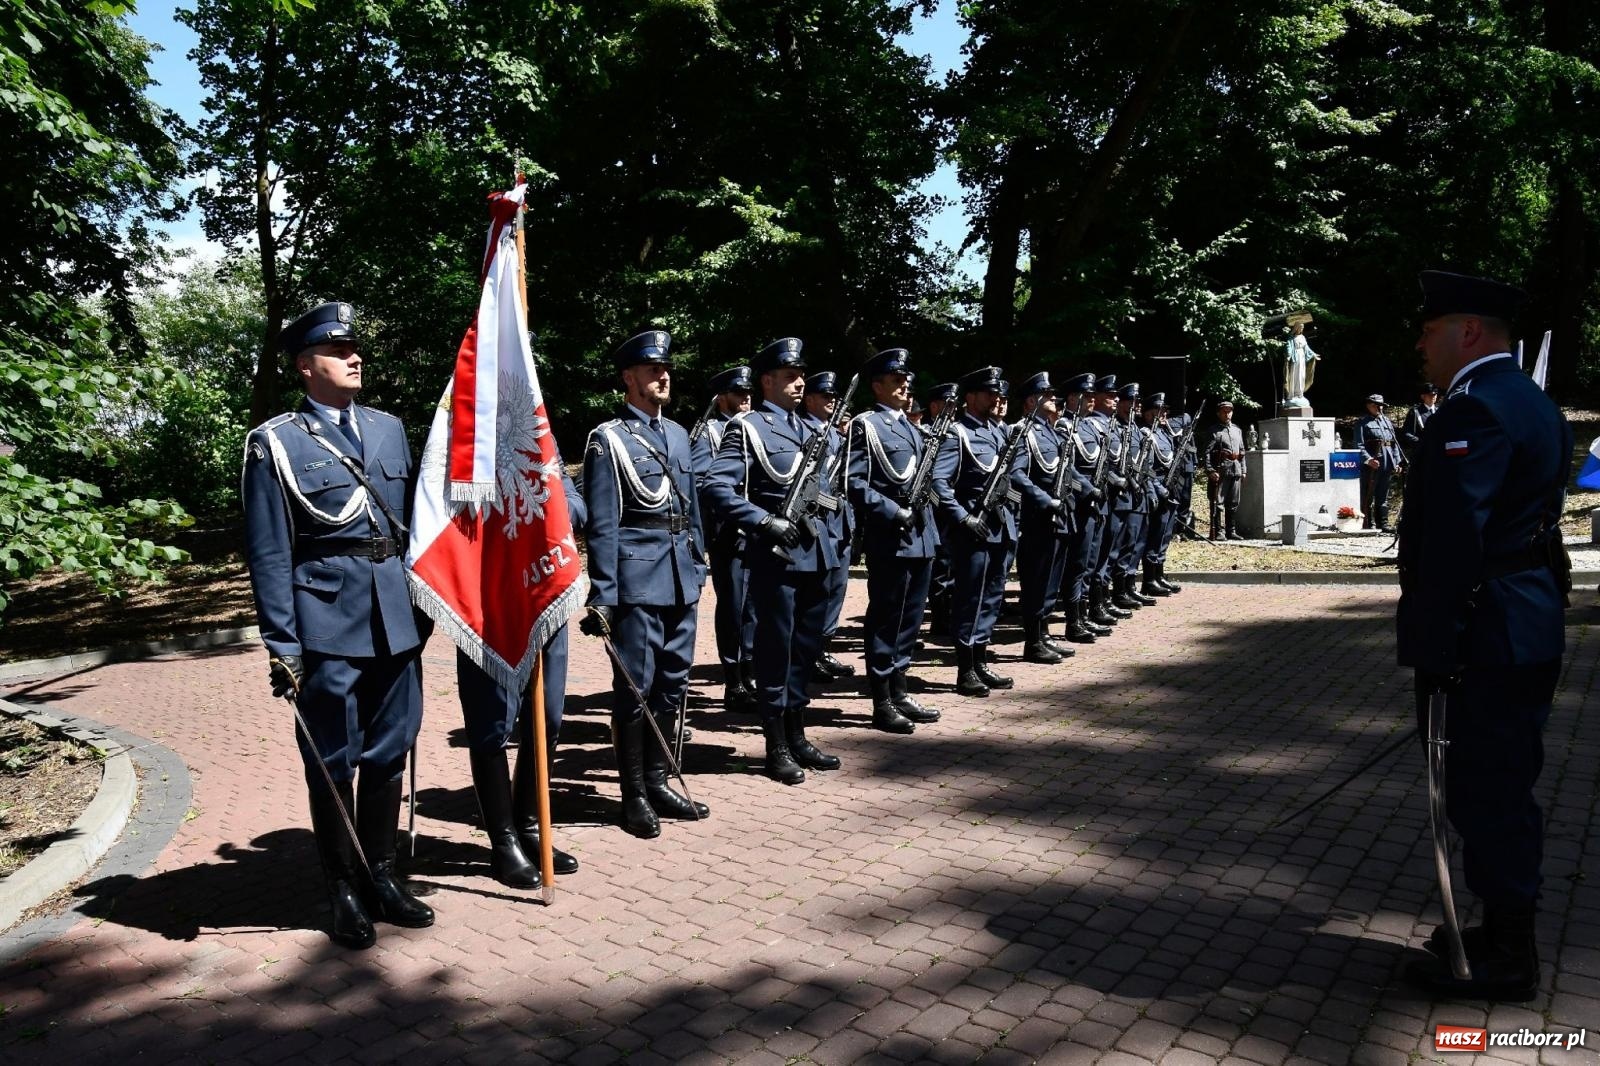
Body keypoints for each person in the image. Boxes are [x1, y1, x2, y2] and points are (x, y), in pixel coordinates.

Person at [1398, 269, 1571, 1001]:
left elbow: (1454, 545)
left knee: (1486, 790)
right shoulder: (1530, 402)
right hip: (1521, 618)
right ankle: (1502, 929)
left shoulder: (1474, 410)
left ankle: (1508, 956)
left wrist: (1437, 647)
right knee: (1499, 784)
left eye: (1430, 329)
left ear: (1467, 331)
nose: (1420, 343)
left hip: (1488, 631)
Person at [241, 301, 433, 950]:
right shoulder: (276, 443)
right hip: (325, 625)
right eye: (338, 350)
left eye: (356, 348)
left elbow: (412, 529)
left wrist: (424, 608)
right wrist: (283, 644)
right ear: (305, 365)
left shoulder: (389, 429)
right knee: (335, 762)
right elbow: (269, 552)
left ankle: (382, 876)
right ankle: (343, 888)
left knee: (388, 756)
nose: (355, 357)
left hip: (394, 623)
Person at [579, 329, 710, 839]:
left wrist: (698, 561)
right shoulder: (607, 439)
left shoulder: (678, 434)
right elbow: (604, 524)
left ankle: (658, 782)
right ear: (628, 378)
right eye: (652, 369)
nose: (663, 375)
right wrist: (604, 593)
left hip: (680, 576)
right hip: (636, 579)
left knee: (674, 683)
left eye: (666, 368)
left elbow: (692, 507)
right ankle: (632, 794)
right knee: (634, 690)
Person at [706, 337, 842, 784]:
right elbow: (716, 488)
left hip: (816, 553)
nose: (800, 382)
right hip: (777, 558)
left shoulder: (813, 429)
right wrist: (764, 522)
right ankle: (775, 744)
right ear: (767, 381)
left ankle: (798, 734)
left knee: (805, 649)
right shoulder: (748, 429)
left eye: (802, 375)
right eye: (790, 376)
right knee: (774, 651)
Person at [455, 471, 585, 885]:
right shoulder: (462, 444)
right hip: (486, 600)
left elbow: (579, 508)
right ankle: (503, 839)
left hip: (544, 595)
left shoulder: (538, 435)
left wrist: (548, 503)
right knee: (491, 723)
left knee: (547, 718)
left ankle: (531, 825)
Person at [846, 348, 942, 733]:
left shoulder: (911, 427)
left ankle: (900, 689)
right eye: (896, 380)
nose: (905, 385)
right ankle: (881, 699)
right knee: (886, 617)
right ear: (877, 386)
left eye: (907, 380)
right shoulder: (865, 426)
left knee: (911, 619)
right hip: (892, 535)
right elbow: (854, 483)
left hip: (921, 534)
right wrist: (890, 510)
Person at [932, 366, 1022, 697]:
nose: (996, 398)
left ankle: (981, 659)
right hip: (974, 530)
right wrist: (962, 517)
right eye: (988, 393)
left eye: (997, 393)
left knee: (992, 597)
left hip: (1001, 527)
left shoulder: (997, 433)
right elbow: (938, 482)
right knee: (970, 598)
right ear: (970, 397)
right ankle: (965, 667)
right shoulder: (958, 434)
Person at [690, 365, 758, 711]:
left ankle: (751, 670)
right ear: (721, 398)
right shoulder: (709, 434)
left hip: (759, 531)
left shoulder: (758, 429)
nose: (745, 398)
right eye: (737, 393)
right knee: (734, 606)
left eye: (748, 392)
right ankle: (734, 679)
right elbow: (703, 484)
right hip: (730, 533)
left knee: (754, 607)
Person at [1011, 372, 1081, 663]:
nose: (1055, 399)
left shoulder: (1052, 431)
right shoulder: (1024, 431)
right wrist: (1044, 500)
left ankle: (1044, 635)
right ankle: (1033, 641)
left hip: (1059, 513)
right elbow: (1015, 474)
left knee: (1052, 580)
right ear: (1031, 401)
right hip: (1038, 517)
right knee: (1037, 580)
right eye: (1048, 395)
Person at [801, 371, 858, 682]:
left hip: (841, 522)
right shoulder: (805, 430)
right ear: (809, 399)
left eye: (833, 396)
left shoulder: (836, 434)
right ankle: (808, 654)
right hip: (818, 524)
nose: (832, 401)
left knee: (836, 590)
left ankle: (822, 647)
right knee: (817, 592)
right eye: (825, 396)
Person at [1053, 372, 1109, 643]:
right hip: (1078, 503)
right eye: (1086, 397)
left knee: (1089, 561)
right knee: (1076, 564)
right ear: (1073, 398)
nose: (1091, 400)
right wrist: (1088, 489)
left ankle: (1084, 615)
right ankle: (1073, 621)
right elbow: (1068, 468)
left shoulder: (1089, 426)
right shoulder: (1065, 426)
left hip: (1095, 503)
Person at [922, 382, 959, 637]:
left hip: (952, 507)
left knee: (952, 564)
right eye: (948, 404)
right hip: (935, 508)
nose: (952, 410)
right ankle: (939, 617)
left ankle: (948, 613)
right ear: (934, 406)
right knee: (941, 566)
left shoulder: (957, 434)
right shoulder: (925, 435)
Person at [1139, 393, 1183, 596]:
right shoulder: (1146, 434)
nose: (1165, 413)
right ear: (1148, 414)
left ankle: (1159, 574)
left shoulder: (1166, 434)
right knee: (1155, 535)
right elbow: (1147, 467)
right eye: (1160, 410)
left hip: (1170, 489)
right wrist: (1158, 489)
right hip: (1159, 490)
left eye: (1165, 410)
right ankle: (1149, 579)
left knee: (1165, 535)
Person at [1354, 394, 1405, 532]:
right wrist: (1368, 459)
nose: (1379, 408)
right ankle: (1368, 524)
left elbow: (1393, 443)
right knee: (1368, 494)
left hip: (1387, 462)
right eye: (1376, 405)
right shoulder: (1363, 423)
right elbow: (1358, 445)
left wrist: (1397, 462)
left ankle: (1383, 523)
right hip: (1371, 465)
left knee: (1383, 494)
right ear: (1369, 405)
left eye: (1381, 405)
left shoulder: (1386, 422)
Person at [1205, 400, 1247, 541]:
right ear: (1218, 413)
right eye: (1224, 411)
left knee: (1233, 502)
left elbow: (1242, 451)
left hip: (1236, 470)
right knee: (1219, 502)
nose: (1227, 413)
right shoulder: (1214, 431)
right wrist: (1210, 470)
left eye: (1229, 411)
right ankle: (1219, 531)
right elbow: (1207, 453)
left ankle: (1231, 531)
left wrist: (1244, 470)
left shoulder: (1237, 430)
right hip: (1221, 470)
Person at [1401, 382, 1439, 462]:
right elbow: (1407, 433)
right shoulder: (1415, 412)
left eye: (1434, 395)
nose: (1432, 397)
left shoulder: (1440, 411)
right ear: (1422, 396)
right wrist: (1421, 442)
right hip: (1421, 454)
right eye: (1430, 395)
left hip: (1438, 453)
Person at [1284, 321, 1319, 407]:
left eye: (1303, 328)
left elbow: (1306, 348)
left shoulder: (1303, 337)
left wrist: (1313, 354)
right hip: (1295, 358)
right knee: (1294, 375)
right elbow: (1288, 346)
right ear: (1296, 328)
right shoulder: (1291, 338)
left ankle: (1300, 394)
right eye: (1300, 328)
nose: (1302, 329)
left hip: (1302, 357)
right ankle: (1293, 394)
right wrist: (1288, 355)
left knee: (1301, 375)